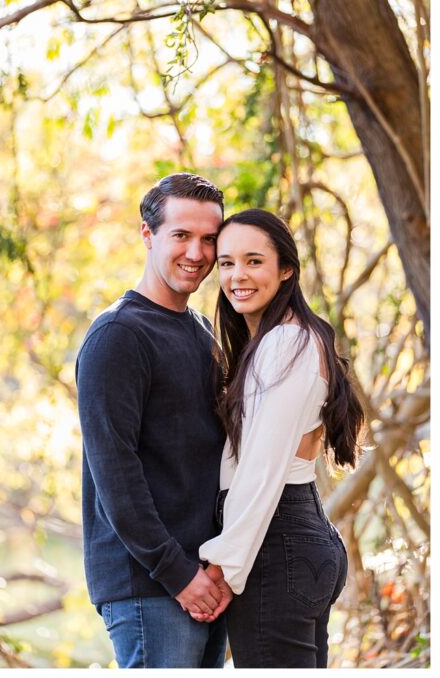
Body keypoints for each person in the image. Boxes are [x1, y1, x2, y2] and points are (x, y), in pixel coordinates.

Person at [194, 209, 362, 667]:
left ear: (286, 269)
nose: (237, 276)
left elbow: (262, 468)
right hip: (296, 536)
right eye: (226, 263)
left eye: (253, 261)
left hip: (278, 541)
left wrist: (223, 565)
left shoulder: (286, 343)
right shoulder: (282, 341)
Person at [76, 173, 231, 668]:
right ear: (148, 235)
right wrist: (178, 574)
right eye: (181, 235)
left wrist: (216, 567)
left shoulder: (202, 330)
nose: (196, 252)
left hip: (205, 580)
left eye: (209, 239)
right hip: (151, 586)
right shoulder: (119, 335)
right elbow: (115, 474)